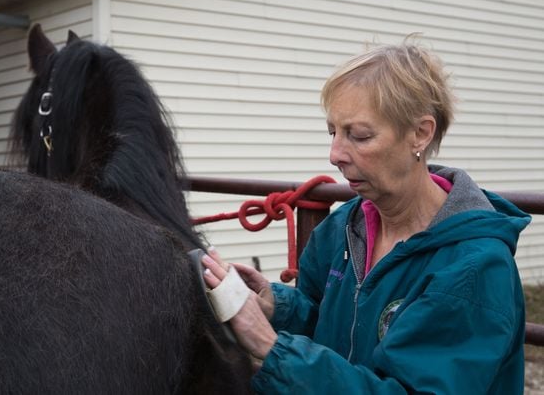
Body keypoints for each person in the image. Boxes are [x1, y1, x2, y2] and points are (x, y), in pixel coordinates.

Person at [203, 38, 530, 394]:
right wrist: (276, 307)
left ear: (420, 133)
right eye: (333, 132)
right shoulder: (341, 228)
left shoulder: (473, 270)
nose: (335, 154)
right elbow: (326, 322)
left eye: (359, 135)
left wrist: (271, 349)